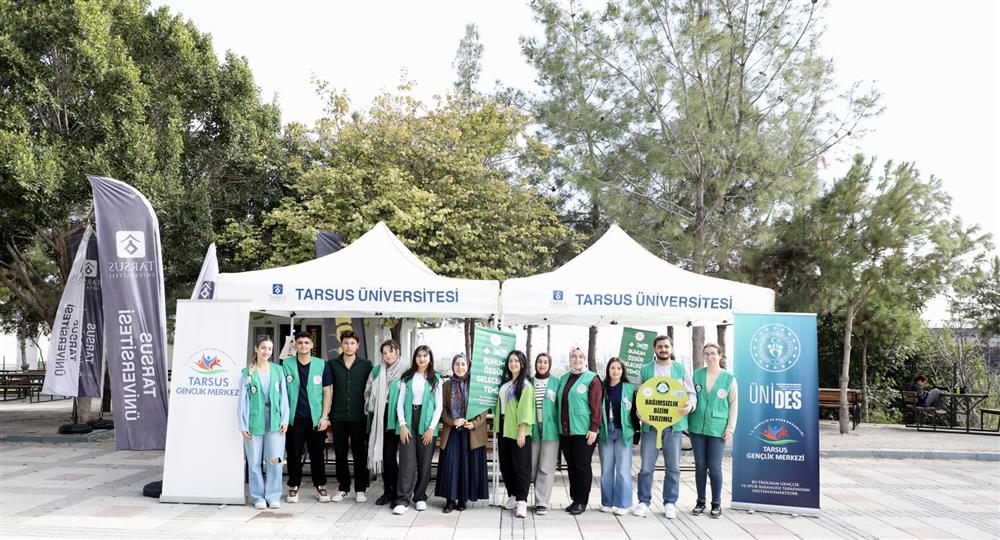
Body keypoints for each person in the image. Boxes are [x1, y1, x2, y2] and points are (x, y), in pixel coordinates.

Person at [633, 335, 696, 519]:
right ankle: (643, 501)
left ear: (671, 348)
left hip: (674, 426)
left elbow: (691, 394)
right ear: (655, 349)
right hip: (651, 426)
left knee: (673, 467)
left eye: (666, 346)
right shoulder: (645, 369)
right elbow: (637, 395)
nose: (663, 349)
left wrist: (690, 406)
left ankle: (670, 502)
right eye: (660, 346)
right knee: (646, 467)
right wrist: (638, 412)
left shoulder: (681, 369)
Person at [238, 335, 290, 509]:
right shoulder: (247, 372)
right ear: (256, 349)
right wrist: (243, 424)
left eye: (269, 348)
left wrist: (285, 419)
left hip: (275, 421)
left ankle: (273, 495)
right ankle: (258, 497)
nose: (266, 351)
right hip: (254, 421)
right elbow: (242, 400)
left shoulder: (278, 370)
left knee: (275, 459)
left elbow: (284, 397)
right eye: (263, 348)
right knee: (254, 462)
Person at [282, 330, 334, 503]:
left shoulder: (322, 364)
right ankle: (293, 487)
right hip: (294, 418)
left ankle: (321, 486)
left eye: (306, 342)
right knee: (294, 454)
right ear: (295, 345)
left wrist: (324, 417)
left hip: (316, 418)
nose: (303, 345)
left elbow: (327, 392)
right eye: (300, 342)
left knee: (317, 454)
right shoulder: (286, 364)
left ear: (312, 345)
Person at [687, 344, 738, 519]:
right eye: (706, 354)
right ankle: (700, 501)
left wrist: (730, 428)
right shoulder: (697, 375)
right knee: (700, 465)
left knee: (714, 467)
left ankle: (716, 503)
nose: (710, 356)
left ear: (720, 355)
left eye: (713, 353)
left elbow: (734, 405)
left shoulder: (729, 378)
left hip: (718, 427)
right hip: (696, 426)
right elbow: (690, 396)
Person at [392, 345, 443, 515]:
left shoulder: (436, 378)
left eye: (425, 355)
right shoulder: (406, 377)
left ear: (430, 358)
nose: (422, 358)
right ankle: (402, 500)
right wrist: (402, 424)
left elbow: (439, 406)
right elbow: (400, 403)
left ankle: (420, 497)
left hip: (427, 422)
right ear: (415, 358)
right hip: (408, 420)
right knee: (406, 461)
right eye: (419, 355)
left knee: (425, 461)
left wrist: (431, 428)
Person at [435, 353, 489, 513]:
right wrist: (453, 421)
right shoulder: (446, 385)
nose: (460, 367)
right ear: (453, 366)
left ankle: (462, 499)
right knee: (451, 464)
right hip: (452, 431)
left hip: (470, 431)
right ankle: (450, 500)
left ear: (468, 366)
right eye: (457, 364)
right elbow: (442, 408)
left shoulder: (476, 385)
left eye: (463, 364)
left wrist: (474, 423)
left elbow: (483, 407)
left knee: (466, 466)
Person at [328, 330, 373, 503]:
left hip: (359, 416)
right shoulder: (331, 364)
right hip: (338, 416)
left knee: (360, 453)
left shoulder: (366, 365)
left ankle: (360, 489)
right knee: (340, 453)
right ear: (341, 344)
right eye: (346, 343)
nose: (349, 346)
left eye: (352, 343)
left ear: (357, 345)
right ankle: (343, 488)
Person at [557, 346, 602, 515]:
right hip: (566, 431)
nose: (577, 359)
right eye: (574, 356)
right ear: (570, 359)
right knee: (571, 466)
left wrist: (594, 428)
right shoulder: (564, 378)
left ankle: (582, 501)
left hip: (584, 431)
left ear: (585, 359)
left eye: (581, 356)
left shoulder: (592, 379)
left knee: (582, 466)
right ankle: (575, 498)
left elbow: (597, 406)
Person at [365, 339, 405, 506]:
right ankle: (388, 491)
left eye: (391, 351)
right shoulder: (377, 370)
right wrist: (372, 404)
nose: (388, 355)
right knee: (384, 455)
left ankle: (398, 492)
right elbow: (367, 391)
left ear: (397, 351)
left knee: (390, 456)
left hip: (397, 417)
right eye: (385, 353)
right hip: (380, 416)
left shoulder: (406, 370)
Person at [597, 357, 639, 516]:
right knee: (606, 469)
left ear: (623, 371)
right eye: (613, 368)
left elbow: (634, 412)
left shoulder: (629, 388)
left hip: (624, 432)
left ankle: (623, 504)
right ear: (608, 370)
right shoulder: (601, 387)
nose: (615, 371)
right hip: (606, 432)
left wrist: (637, 434)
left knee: (622, 469)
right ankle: (606, 502)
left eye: (619, 368)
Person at [497, 350, 536, 518]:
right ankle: (513, 495)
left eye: (516, 361)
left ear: (522, 364)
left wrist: (521, 432)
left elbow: (526, 410)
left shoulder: (526, 386)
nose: (513, 364)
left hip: (518, 429)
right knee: (506, 464)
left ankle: (522, 501)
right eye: (510, 361)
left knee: (521, 466)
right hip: (504, 426)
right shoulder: (506, 384)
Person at [530, 352, 560, 515]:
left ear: (549, 365)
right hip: (532, 428)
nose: (542, 364)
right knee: (532, 464)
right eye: (539, 361)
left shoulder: (556, 382)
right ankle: (526, 497)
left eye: (545, 362)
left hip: (551, 429)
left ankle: (541, 502)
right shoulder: (529, 382)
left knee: (546, 465)